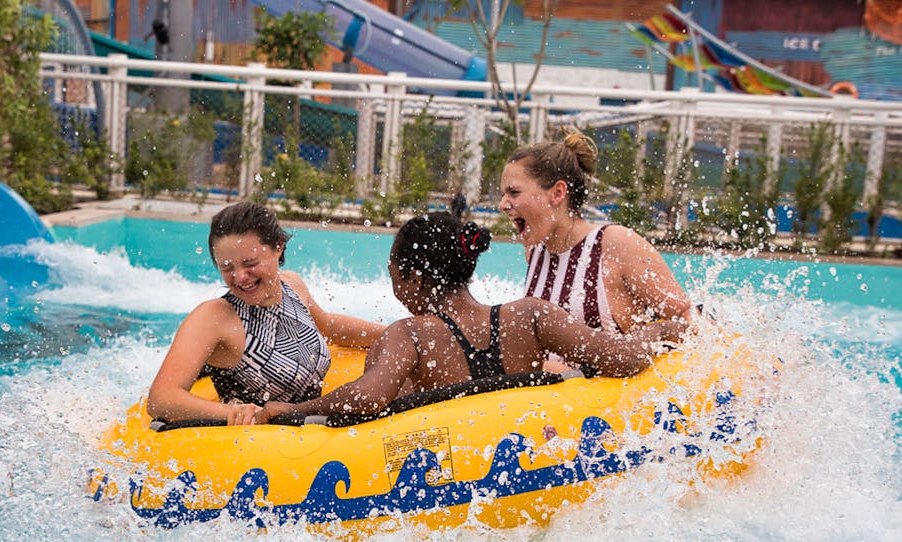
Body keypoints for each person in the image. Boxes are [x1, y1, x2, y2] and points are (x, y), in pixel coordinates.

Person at [257, 213, 686, 421]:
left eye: (393, 274)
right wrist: (667, 329)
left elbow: (364, 399)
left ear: (413, 278)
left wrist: (289, 410)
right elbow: (622, 357)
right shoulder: (530, 317)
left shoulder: (409, 336)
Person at [146, 201, 383, 425]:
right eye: (227, 268)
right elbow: (161, 399)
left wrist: (394, 333)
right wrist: (233, 412)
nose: (239, 277)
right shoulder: (214, 317)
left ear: (278, 247)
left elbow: (330, 327)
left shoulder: (292, 285)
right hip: (258, 448)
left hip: (309, 430)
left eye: (249, 263)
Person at [499, 127, 693, 336]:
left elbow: (687, 321)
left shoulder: (614, 244)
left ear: (557, 193)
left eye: (514, 192)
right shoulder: (536, 251)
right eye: (503, 194)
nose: (502, 204)